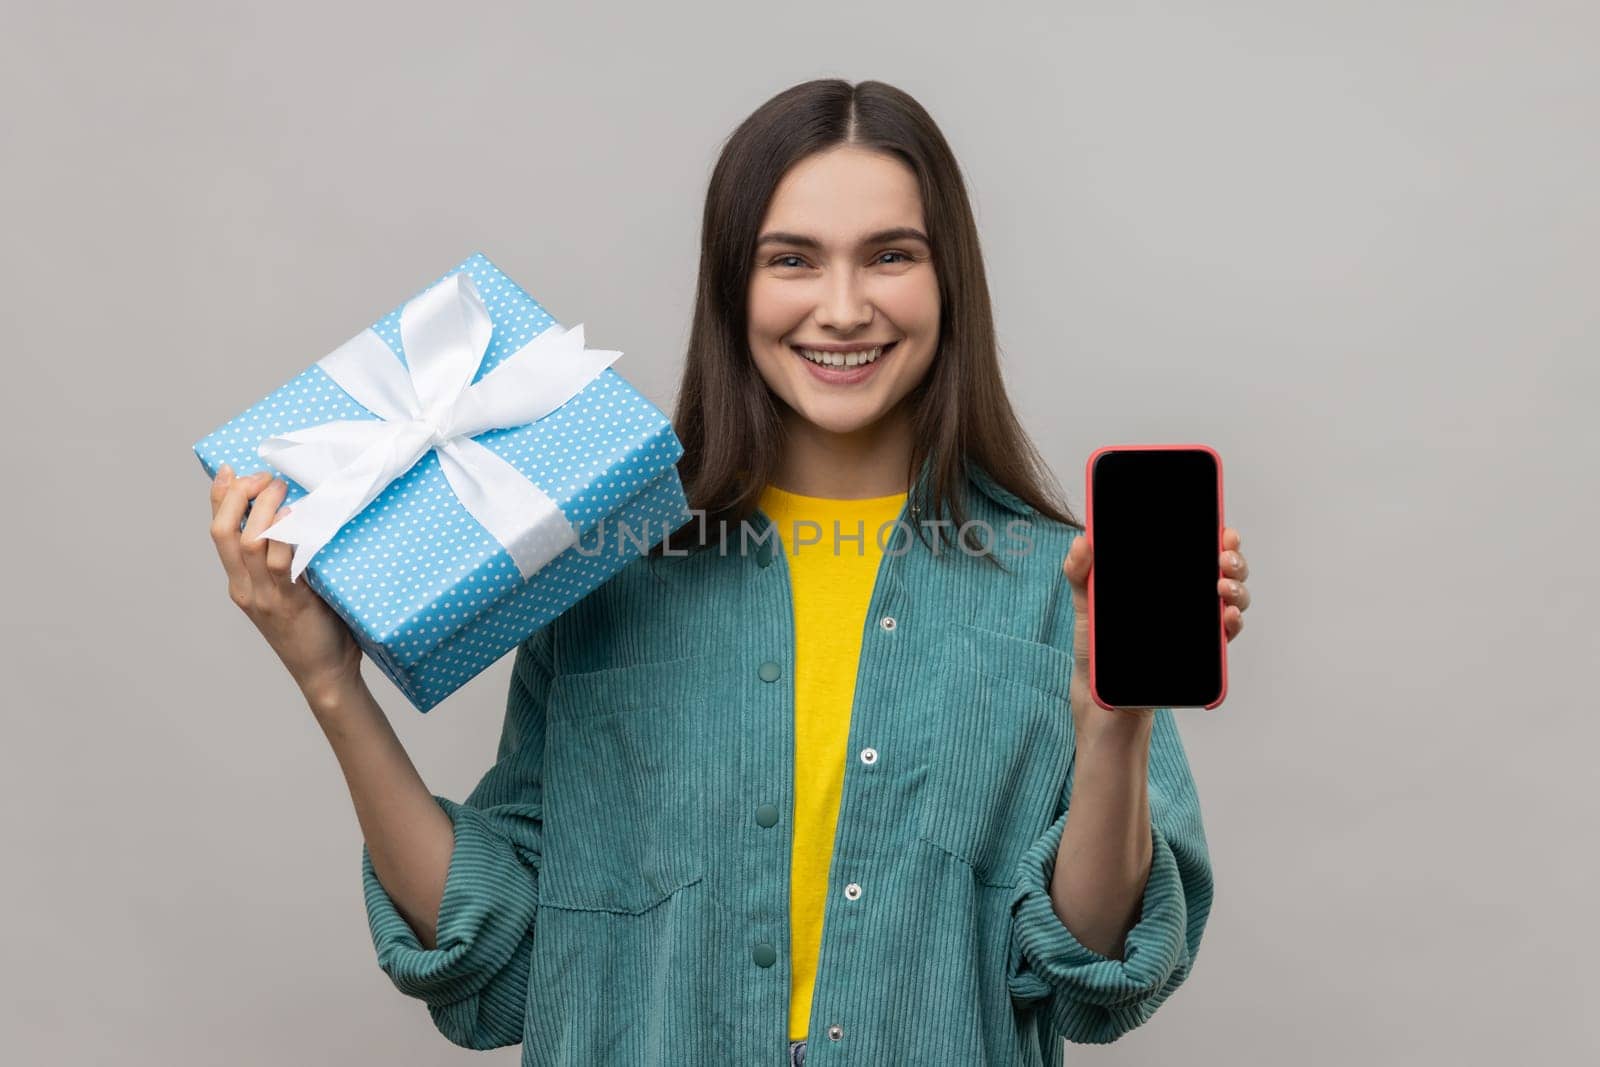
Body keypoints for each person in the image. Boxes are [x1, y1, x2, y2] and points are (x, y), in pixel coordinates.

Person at [206, 78, 1250, 1067]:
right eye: (791, 259)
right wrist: (330, 681)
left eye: (890, 255)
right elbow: (496, 960)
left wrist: (1114, 720)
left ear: (950, 281)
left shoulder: (1056, 583)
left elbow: (1095, 972)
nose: (842, 308)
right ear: (731, 285)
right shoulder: (610, 568)